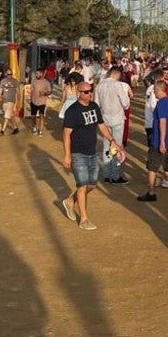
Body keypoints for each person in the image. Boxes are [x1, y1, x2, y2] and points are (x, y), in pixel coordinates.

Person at [60, 82, 119, 230]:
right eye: (85, 92)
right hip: (77, 153)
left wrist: (112, 140)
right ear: (78, 93)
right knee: (82, 185)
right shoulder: (72, 111)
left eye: (90, 91)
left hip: (91, 152)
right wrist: (67, 156)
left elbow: (102, 126)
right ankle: (84, 219)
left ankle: (69, 201)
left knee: (92, 184)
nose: (89, 94)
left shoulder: (94, 107)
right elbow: (66, 134)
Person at [95, 68, 132, 184]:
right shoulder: (118, 85)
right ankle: (115, 175)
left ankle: (107, 175)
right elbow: (126, 104)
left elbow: (96, 104)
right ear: (118, 74)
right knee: (117, 147)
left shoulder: (99, 86)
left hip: (105, 120)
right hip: (117, 119)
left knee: (107, 146)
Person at [0, 70, 21, 136]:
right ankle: (15, 128)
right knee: (10, 115)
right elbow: (0, 91)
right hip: (4, 100)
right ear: (5, 74)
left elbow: (18, 93)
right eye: (8, 74)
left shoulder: (15, 81)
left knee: (6, 116)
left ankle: (2, 131)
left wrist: (18, 102)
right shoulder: (3, 81)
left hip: (11, 100)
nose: (9, 75)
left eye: (11, 74)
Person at [29, 70, 53, 137]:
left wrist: (45, 93)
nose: (36, 75)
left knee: (41, 115)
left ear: (42, 74)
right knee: (33, 116)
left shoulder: (46, 82)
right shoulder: (34, 81)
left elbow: (50, 91)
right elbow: (31, 90)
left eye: (37, 73)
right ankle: (35, 127)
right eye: (36, 74)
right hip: (34, 101)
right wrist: (30, 99)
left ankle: (41, 130)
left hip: (42, 101)